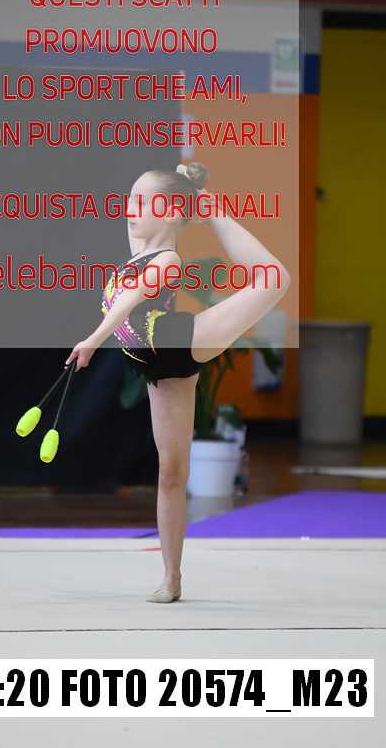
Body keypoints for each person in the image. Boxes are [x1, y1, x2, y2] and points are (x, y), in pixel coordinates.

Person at [65, 162, 291, 602]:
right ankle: (172, 578)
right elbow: (151, 218)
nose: (130, 209)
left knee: (274, 279)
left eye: (141, 202)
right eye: (130, 200)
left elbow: (132, 297)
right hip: (154, 365)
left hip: (180, 342)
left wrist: (93, 339)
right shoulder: (138, 247)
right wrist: (186, 182)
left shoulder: (167, 260)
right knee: (171, 471)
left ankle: (217, 211)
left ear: (169, 213)